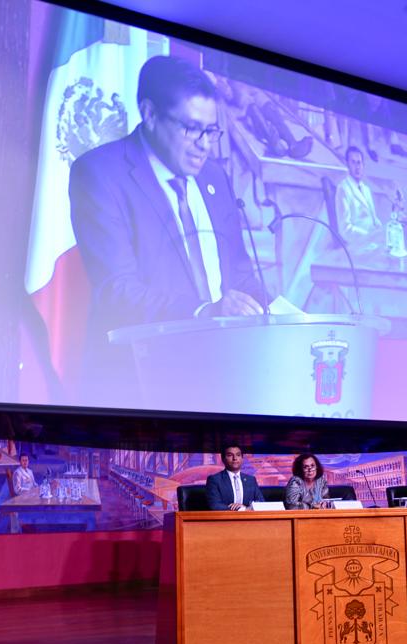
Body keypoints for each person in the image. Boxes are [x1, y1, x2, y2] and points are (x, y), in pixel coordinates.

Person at [68, 55, 266, 399]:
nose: (205, 144)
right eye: (192, 129)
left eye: (211, 130)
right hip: (140, 387)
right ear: (150, 113)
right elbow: (117, 290)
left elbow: (238, 271)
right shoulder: (100, 173)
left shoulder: (214, 176)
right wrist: (205, 313)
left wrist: (277, 310)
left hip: (224, 376)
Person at [334, 145, 382, 252]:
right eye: (353, 162)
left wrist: (381, 233)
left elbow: (374, 219)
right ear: (348, 164)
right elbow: (345, 229)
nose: (357, 167)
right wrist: (368, 238)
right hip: (357, 246)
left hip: (373, 243)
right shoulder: (343, 189)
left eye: (359, 162)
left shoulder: (366, 189)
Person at [205, 443, 265, 511]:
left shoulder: (251, 480)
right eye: (230, 455)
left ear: (242, 458)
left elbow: (261, 502)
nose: (235, 458)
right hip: (225, 519)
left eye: (238, 455)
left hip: (249, 519)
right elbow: (215, 505)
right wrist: (240, 509)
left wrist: (246, 508)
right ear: (223, 459)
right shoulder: (214, 480)